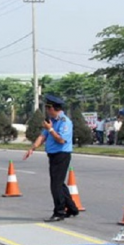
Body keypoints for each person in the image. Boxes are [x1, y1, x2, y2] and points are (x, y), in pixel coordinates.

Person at [23, 94, 79, 222]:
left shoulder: (65, 122)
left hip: (61, 155)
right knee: (59, 183)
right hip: (53, 155)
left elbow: (61, 140)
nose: (47, 111)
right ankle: (72, 208)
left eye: (48, 108)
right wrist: (32, 148)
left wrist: (51, 129)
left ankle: (59, 212)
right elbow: (43, 136)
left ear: (54, 108)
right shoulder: (52, 121)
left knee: (56, 185)